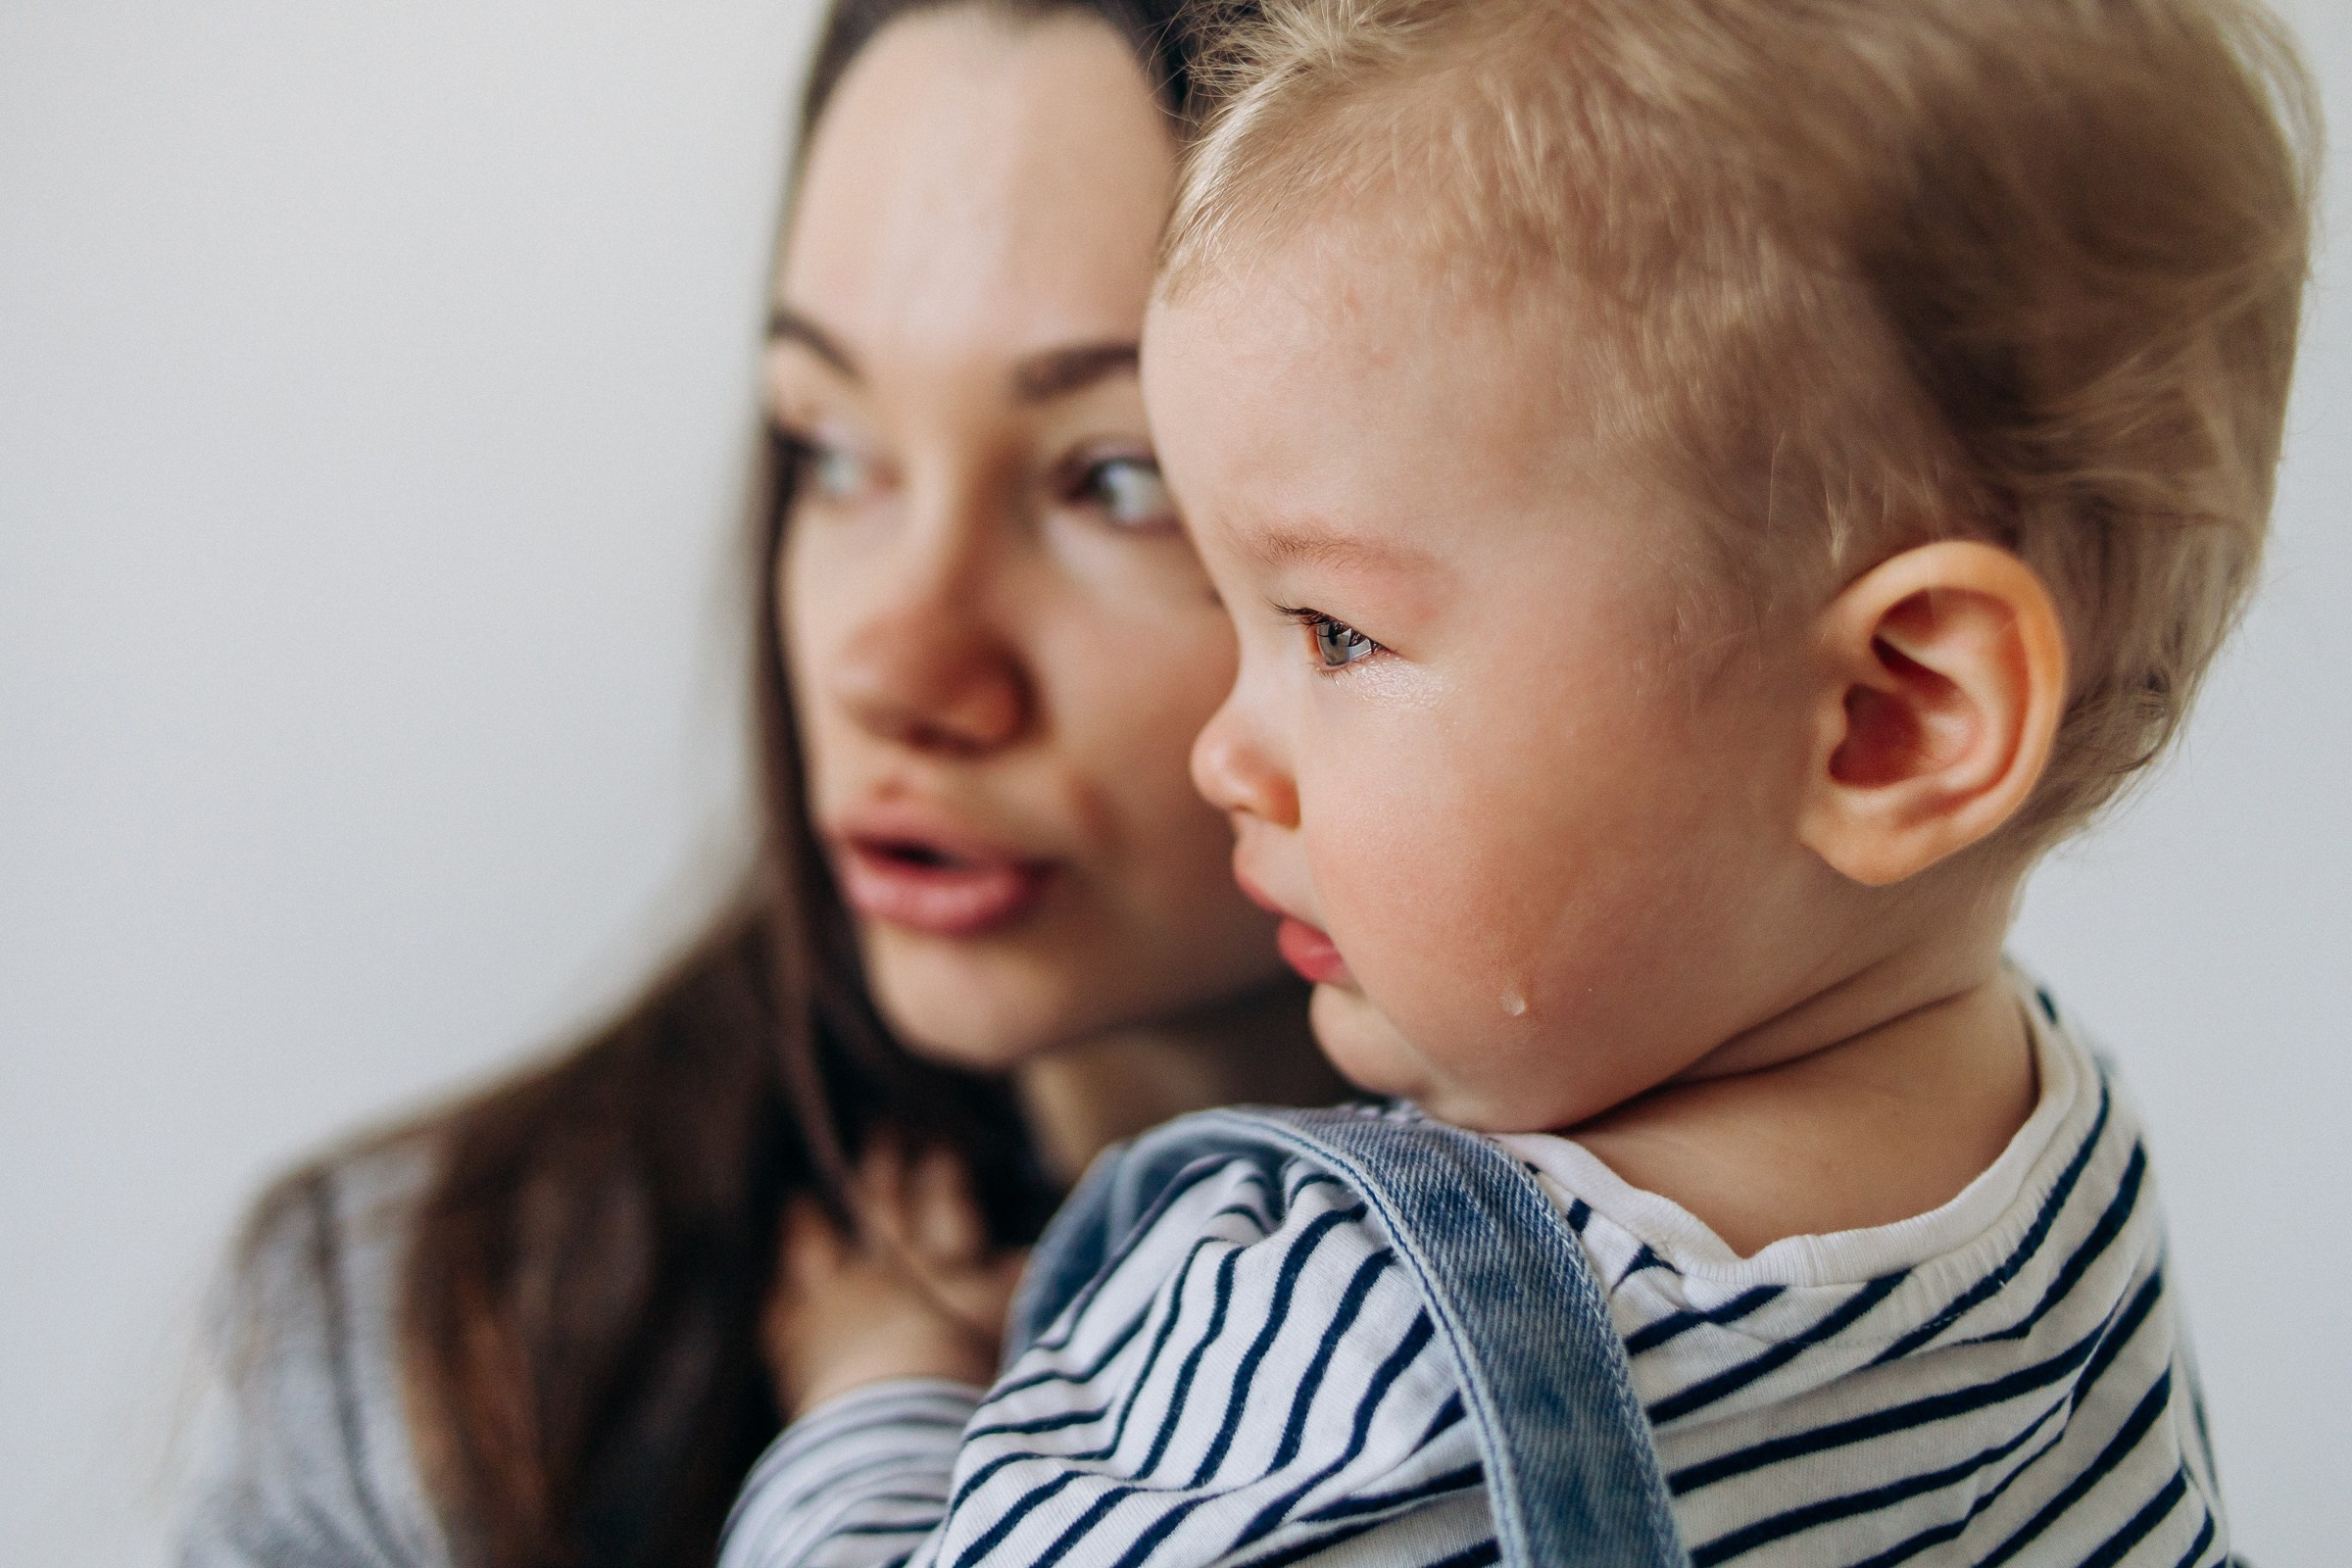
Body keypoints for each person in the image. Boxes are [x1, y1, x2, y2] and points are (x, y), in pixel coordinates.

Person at [715, 0, 2316, 1564]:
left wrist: (880, 1402)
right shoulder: (2059, 1189)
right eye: (826, 449)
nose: (1230, 749)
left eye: (1333, 631)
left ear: (1893, 718)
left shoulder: (1353, 1353)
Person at [176, 3, 1343, 1565]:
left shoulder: (1730, 1317)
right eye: (831, 449)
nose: (893, 672)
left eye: (1114, 479)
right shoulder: (431, 1341)